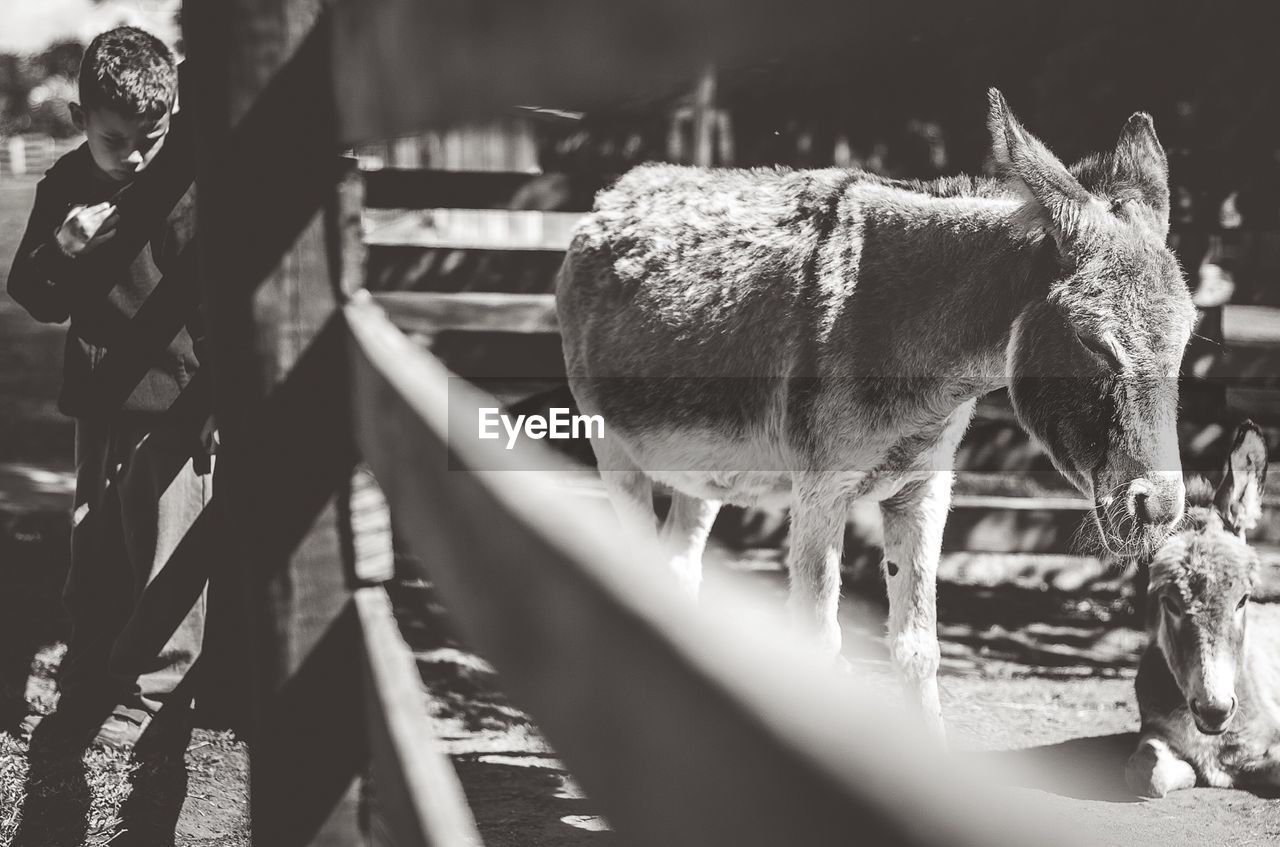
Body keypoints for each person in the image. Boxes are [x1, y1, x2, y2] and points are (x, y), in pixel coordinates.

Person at [6, 26, 214, 752]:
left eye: (151, 138)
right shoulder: (64, 186)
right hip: (97, 402)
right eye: (115, 138)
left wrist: (215, 398)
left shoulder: (187, 180)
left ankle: (154, 702)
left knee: (166, 553)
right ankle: (89, 673)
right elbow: (35, 295)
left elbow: (217, 297)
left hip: (175, 402)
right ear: (79, 120)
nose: (134, 155)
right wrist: (60, 248)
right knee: (92, 548)